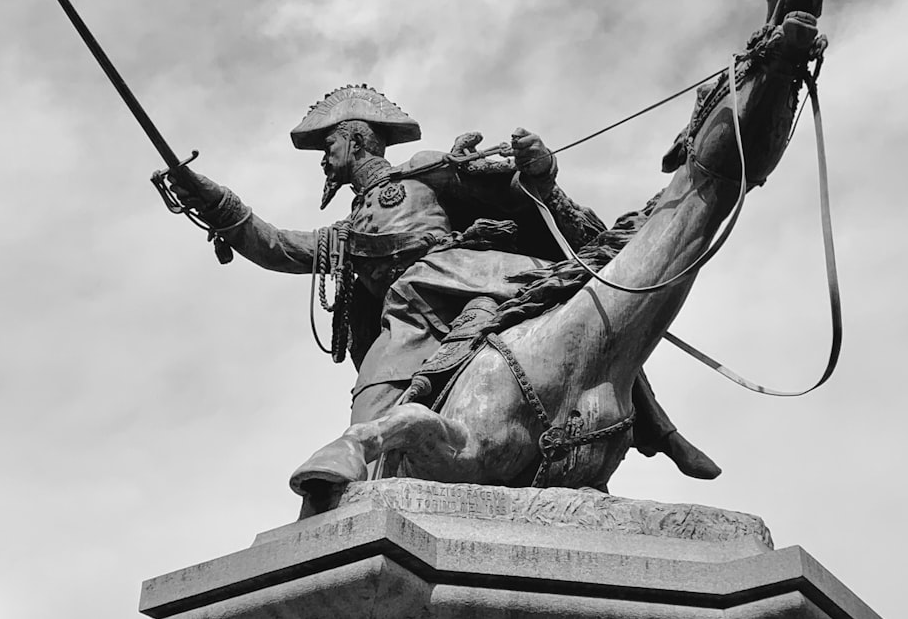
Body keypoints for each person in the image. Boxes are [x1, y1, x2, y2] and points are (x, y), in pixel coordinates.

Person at [170, 85, 719, 479]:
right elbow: (273, 245)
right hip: (409, 317)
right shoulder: (343, 235)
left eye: (329, 148)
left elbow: (510, 190)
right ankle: (356, 471)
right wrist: (205, 196)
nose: (325, 161)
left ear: (355, 141)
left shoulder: (422, 173)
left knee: (587, 315)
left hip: (466, 275)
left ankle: (659, 431)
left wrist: (539, 169)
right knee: (371, 400)